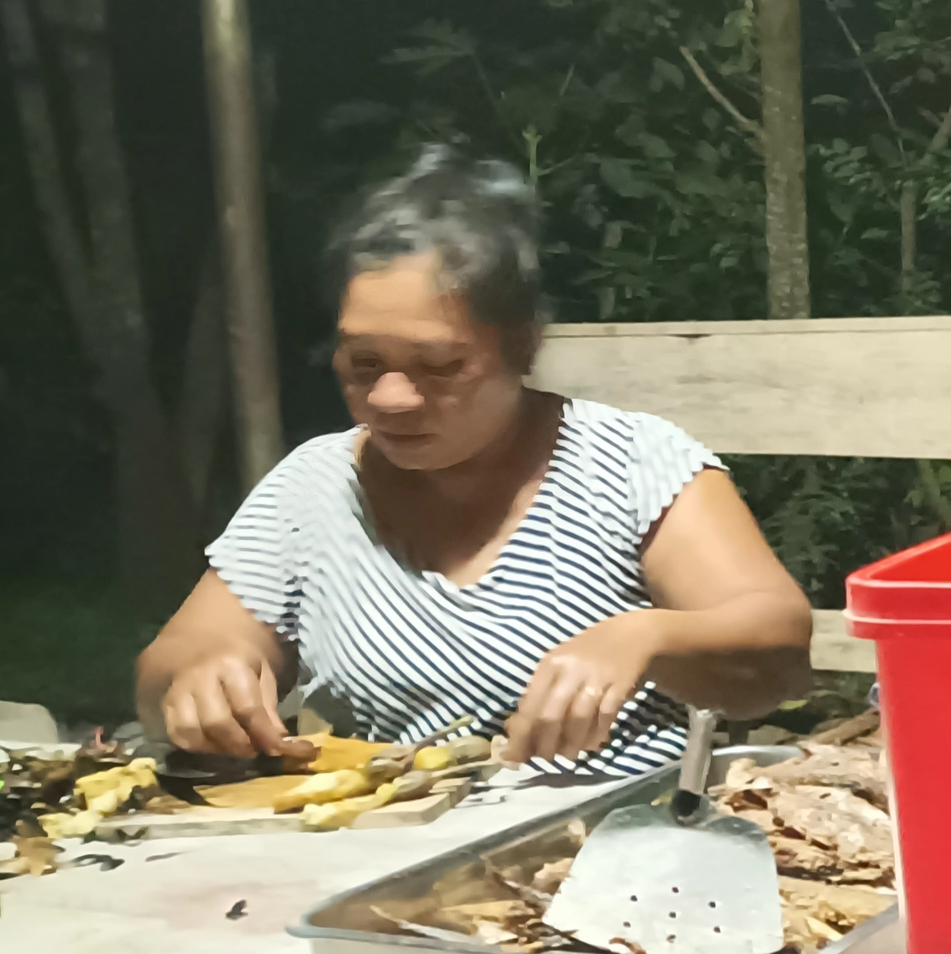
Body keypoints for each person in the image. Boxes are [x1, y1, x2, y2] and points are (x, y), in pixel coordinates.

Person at [136, 147, 814, 772]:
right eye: (363, 362)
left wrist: (649, 637)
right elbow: (168, 667)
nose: (391, 397)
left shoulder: (629, 465)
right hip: (388, 840)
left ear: (523, 347)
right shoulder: (314, 488)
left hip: (620, 837)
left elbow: (778, 649)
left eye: (438, 365)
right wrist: (203, 677)